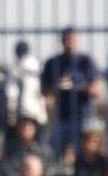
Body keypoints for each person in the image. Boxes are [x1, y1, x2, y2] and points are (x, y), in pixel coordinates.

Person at [40, 27, 103, 158]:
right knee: (54, 154)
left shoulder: (85, 60)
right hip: (61, 116)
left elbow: (97, 89)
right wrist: (56, 87)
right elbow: (44, 91)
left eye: (72, 39)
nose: (69, 42)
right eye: (66, 39)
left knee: (84, 155)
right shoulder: (53, 62)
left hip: (84, 116)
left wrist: (74, 86)